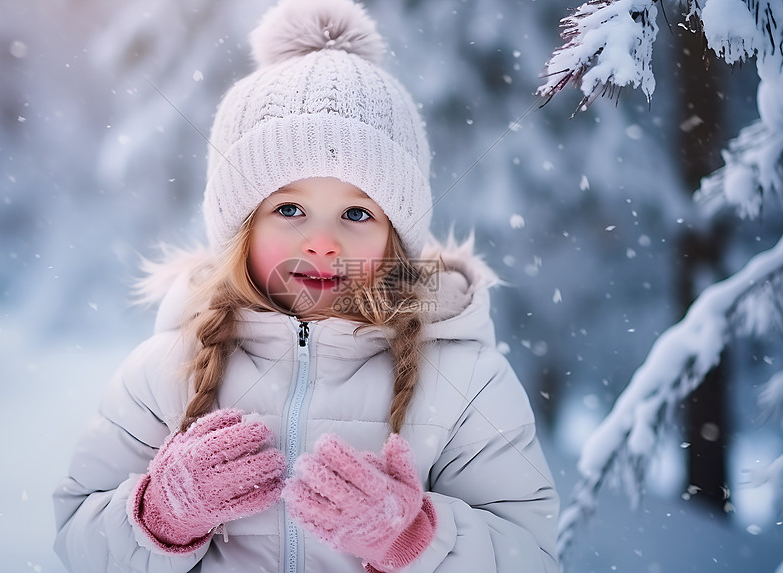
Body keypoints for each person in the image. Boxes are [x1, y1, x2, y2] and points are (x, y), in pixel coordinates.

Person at [52, 0, 559, 572]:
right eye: (290, 208)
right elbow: (80, 541)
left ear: (397, 234)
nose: (322, 243)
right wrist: (160, 517)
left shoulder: (464, 381)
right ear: (241, 227)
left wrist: (413, 538)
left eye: (357, 214)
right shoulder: (167, 369)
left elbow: (531, 556)